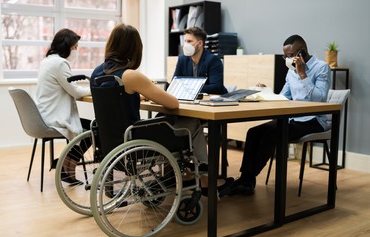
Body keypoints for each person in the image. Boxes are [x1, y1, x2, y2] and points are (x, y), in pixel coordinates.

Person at [91, 23, 233, 196]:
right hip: (135, 139)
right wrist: (149, 88)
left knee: (169, 120)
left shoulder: (97, 73)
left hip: (113, 141)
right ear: (135, 49)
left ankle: (182, 174)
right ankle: (203, 178)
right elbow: (173, 104)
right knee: (192, 123)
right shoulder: (131, 75)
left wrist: (143, 92)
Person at [229, 34, 331, 195]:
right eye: (285, 56)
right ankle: (246, 179)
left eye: (290, 56)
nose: (287, 59)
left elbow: (320, 99)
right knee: (254, 132)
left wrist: (303, 74)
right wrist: (265, 90)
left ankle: (246, 180)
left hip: (314, 120)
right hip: (292, 119)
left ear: (302, 52)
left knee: (272, 133)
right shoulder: (291, 72)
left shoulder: (321, 67)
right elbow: (284, 97)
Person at [34, 28, 91, 185]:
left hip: (44, 115)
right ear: (66, 47)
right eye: (74, 47)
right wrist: (95, 89)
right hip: (53, 117)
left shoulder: (47, 61)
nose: (76, 51)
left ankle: (64, 164)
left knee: (90, 127)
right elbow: (75, 91)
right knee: (95, 129)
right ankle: (67, 166)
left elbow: (69, 87)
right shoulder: (60, 63)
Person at [173, 27, 228, 95]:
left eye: (189, 41)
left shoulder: (213, 60)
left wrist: (190, 87)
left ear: (200, 44)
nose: (186, 45)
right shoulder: (182, 59)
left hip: (215, 101)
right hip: (192, 99)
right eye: (185, 41)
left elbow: (216, 88)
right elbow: (175, 83)